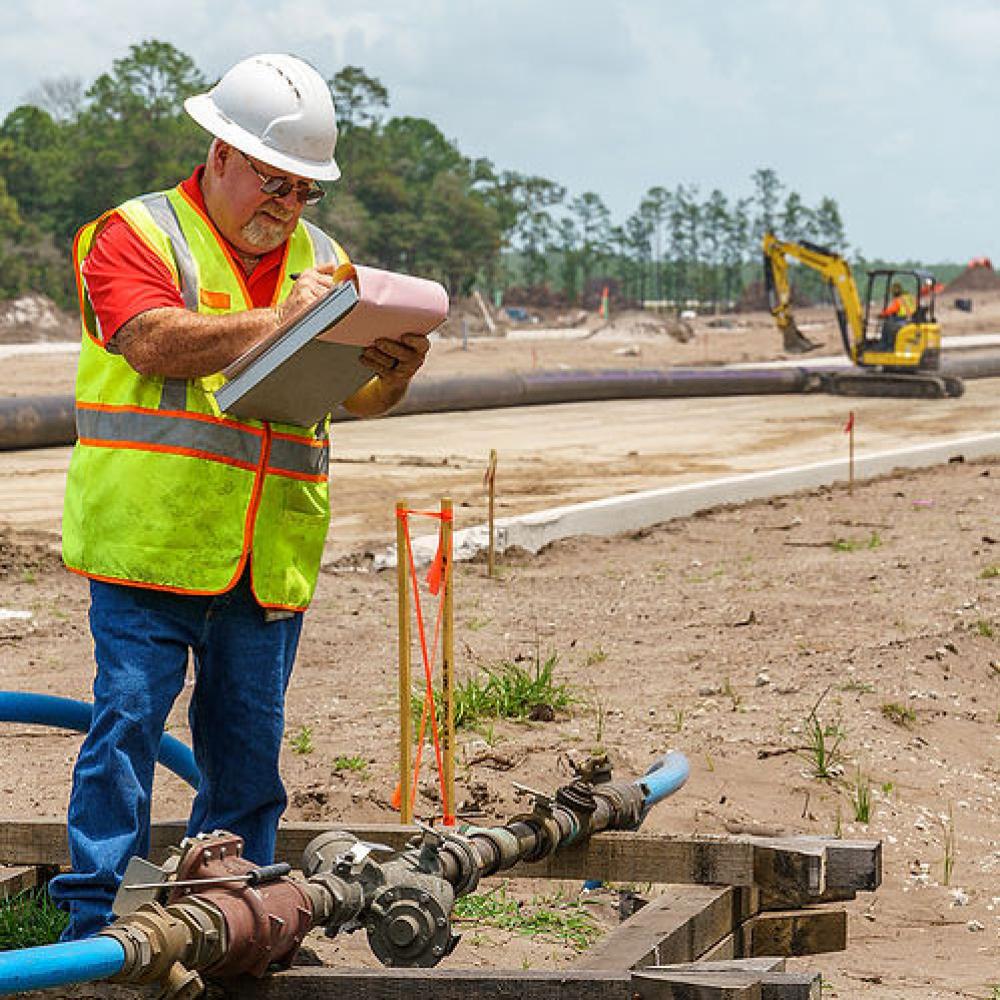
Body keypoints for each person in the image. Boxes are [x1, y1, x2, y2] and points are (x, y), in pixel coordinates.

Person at [47, 53, 430, 940]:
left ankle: (239, 921)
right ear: (220, 154)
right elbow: (150, 341)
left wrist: (394, 376)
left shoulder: (324, 264)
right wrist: (280, 319)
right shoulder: (135, 235)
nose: (287, 207)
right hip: (150, 547)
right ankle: (98, 925)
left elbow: (351, 398)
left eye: (304, 193)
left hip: (264, 563)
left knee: (249, 760)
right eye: (273, 182)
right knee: (127, 736)